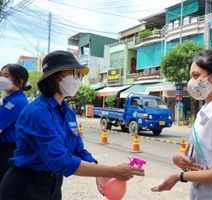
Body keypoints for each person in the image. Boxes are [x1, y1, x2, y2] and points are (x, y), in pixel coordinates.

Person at [0, 50, 144, 200]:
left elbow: (77, 149)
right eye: (73, 73)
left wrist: (99, 171)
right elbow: (59, 161)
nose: (78, 79)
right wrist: (111, 171)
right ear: (55, 77)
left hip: (53, 183)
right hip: (26, 185)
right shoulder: (37, 112)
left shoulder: (67, 111)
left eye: (79, 74)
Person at [152, 49, 212, 200]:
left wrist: (180, 176)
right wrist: (179, 159)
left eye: (196, 76)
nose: (192, 82)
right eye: (191, 76)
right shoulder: (204, 113)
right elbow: (195, 157)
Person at [0, 64, 31, 183]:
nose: (2, 78)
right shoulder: (13, 100)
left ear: (20, 81)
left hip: (7, 149)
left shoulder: (14, 103)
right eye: (1, 75)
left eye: (6, 76)